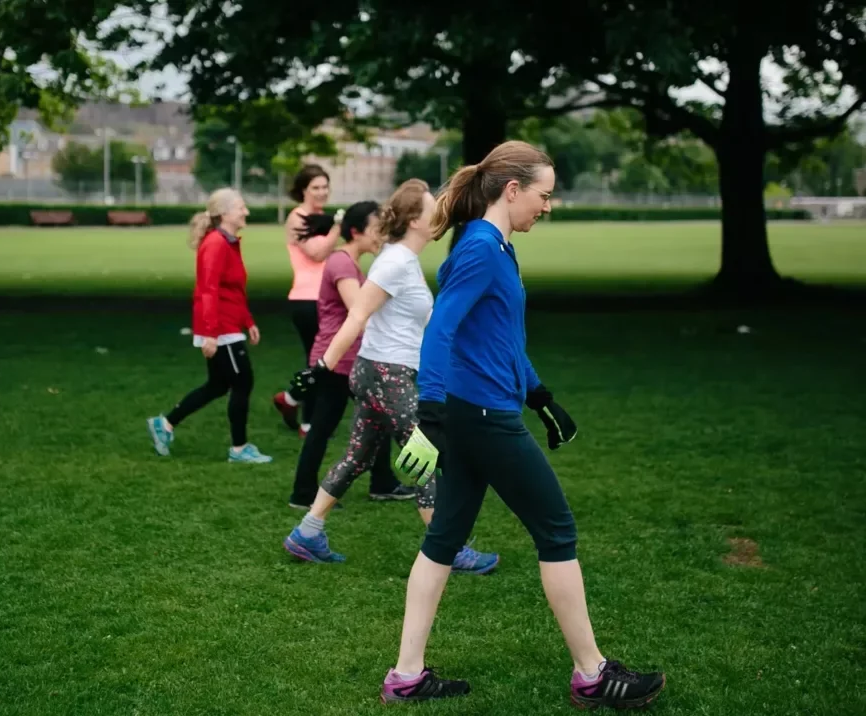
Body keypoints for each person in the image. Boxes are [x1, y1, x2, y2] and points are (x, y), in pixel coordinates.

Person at [382, 141, 666, 708]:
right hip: (481, 418)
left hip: (482, 410)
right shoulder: (484, 249)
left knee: (443, 538)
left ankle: (406, 676)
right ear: (512, 191)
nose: (549, 205)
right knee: (557, 530)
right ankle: (592, 674)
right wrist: (430, 415)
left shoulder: (495, 246)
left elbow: (500, 337)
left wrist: (540, 396)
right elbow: (441, 330)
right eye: (544, 194)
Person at [282, 179, 498, 574]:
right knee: (425, 453)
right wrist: (321, 368)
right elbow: (358, 315)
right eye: (432, 208)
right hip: (386, 374)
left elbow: (423, 322)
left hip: (382, 372)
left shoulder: (405, 261)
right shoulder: (394, 262)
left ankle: (307, 533)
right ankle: (448, 549)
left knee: (357, 457)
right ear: (415, 220)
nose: (438, 214)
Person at [285, 200, 416, 509]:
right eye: (375, 230)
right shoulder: (342, 263)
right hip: (338, 361)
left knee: (377, 418)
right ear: (356, 232)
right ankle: (304, 493)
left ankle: (381, 482)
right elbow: (360, 310)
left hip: (346, 358)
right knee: (325, 426)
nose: (380, 236)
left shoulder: (347, 262)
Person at [146, 188, 272, 464]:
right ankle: (239, 449)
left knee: (218, 385)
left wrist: (248, 321)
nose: (246, 212)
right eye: (241, 207)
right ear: (225, 213)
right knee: (242, 381)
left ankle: (164, 424)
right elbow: (208, 290)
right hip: (221, 329)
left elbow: (234, 290)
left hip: (227, 325)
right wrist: (211, 334)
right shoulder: (216, 244)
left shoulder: (227, 242)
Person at [272, 164, 342, 438]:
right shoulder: (297, 218)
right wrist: (338, 226)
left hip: (324, 298)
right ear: (303, 190)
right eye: (316, 187)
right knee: (321, 361)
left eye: (325, 187)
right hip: (306, 299)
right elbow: (317, 252)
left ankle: (290, 401)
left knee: (322, 361)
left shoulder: (320, 218)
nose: (322, 192)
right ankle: (306, 422)